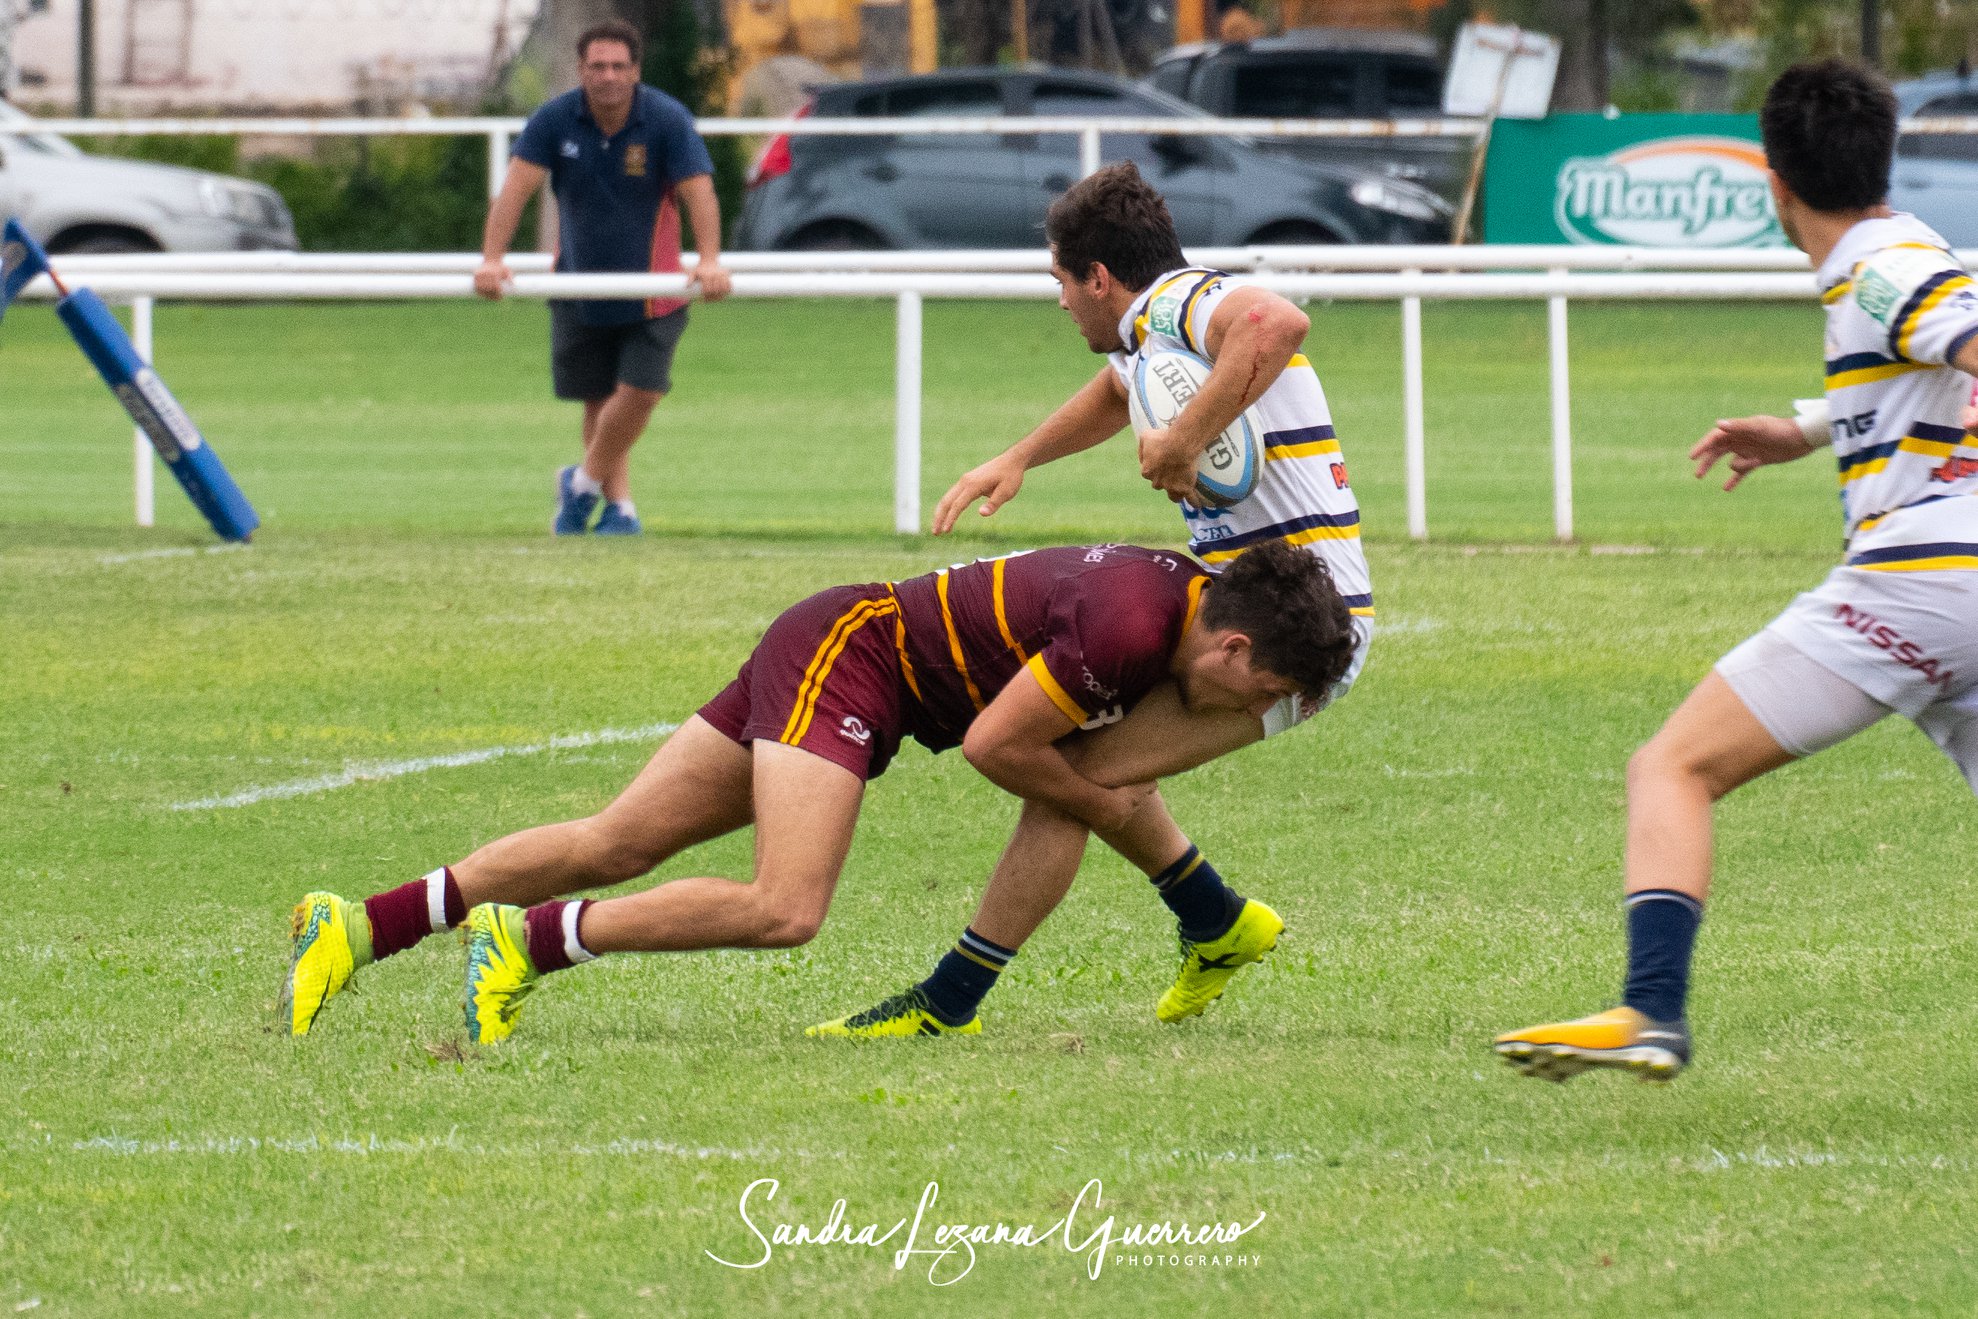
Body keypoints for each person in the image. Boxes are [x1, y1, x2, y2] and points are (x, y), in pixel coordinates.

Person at [278, 540, 1359, 1043]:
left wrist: (1110, 805)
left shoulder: (1176, 603)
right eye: (1252, 693)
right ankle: (533, 941)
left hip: (842, 643)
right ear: (1226, 643)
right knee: (784, 907)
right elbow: (995, 747)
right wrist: (1114, 809)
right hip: (851, 660)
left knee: (616, 838)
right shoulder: (1127, 631)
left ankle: (359, 923)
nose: (1233, 715)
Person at [1495, 59, 1978, 1083]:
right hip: (1954, 591)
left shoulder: (1880, 264)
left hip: (1927, 578)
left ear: (1773, 181)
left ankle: (1650, 1010)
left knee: (1671, 764)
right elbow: (1929, 358)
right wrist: (1807, 428)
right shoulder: (1902, 252)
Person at [812, 162, 1375, 1037]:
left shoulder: (1179, 302)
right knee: (1076, 753)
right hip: (1241, 602)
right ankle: (1214, 920)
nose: (1062, 302)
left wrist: (1185, 441)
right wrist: (1019, 458)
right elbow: (1122, 389)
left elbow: (1280, 319)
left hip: (1303, 629)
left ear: (1100, 278)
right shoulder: (1158, 341)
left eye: (1061, 282)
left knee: (1069, 767)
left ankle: (953, 999)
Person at [474, 18, 732, 537]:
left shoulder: (665, 119)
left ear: (636, 70)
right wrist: (492, 257)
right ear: (581, 69)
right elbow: (515, 189)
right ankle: (620, 510)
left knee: (640, 392)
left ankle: (581, 485)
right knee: (598, 400)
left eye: (619, 66)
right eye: (598, 66)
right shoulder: (555, 119)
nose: (608, 76)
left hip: (653, 290)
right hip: (578, 282)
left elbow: (698, 191)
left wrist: (708, 259)